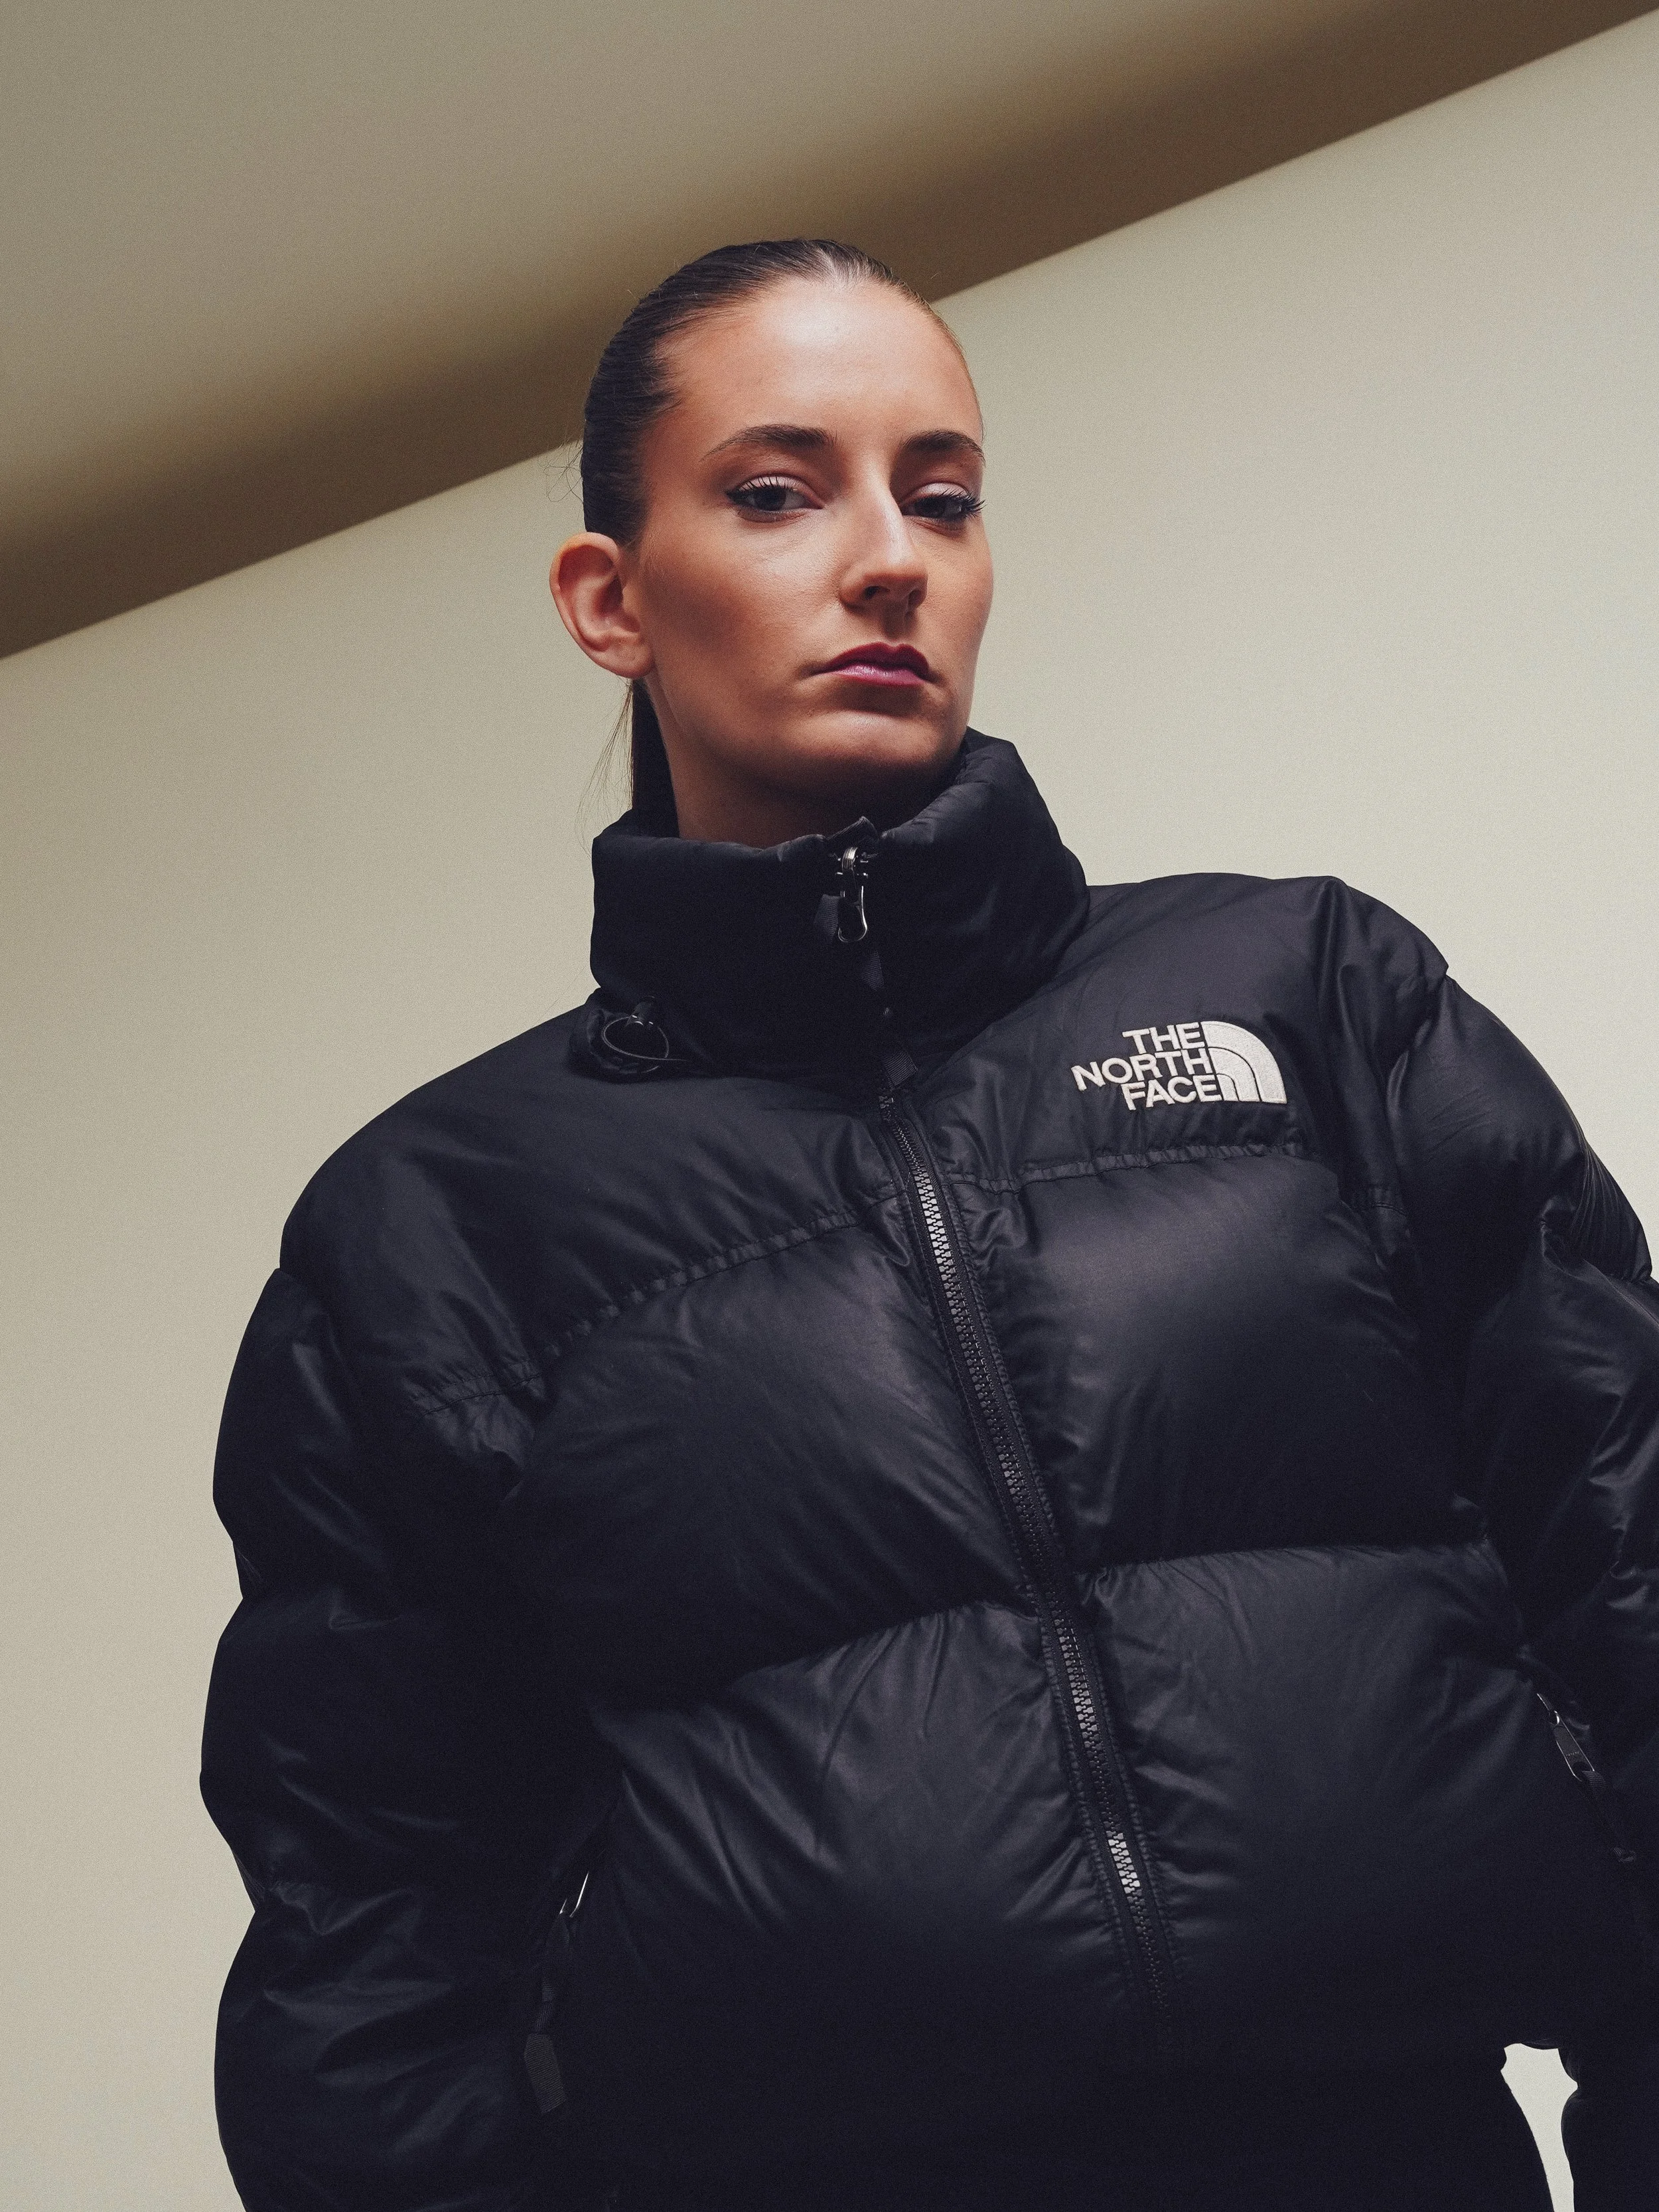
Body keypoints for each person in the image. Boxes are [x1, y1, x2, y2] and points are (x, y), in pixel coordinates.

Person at [202, 239, 1658, 2212]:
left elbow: (1625, 1567)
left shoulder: (1312, 991)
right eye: (779, 491)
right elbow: (373, 1922)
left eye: (943, 494)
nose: (889, 557)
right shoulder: (436, 1226)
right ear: (609, 600)